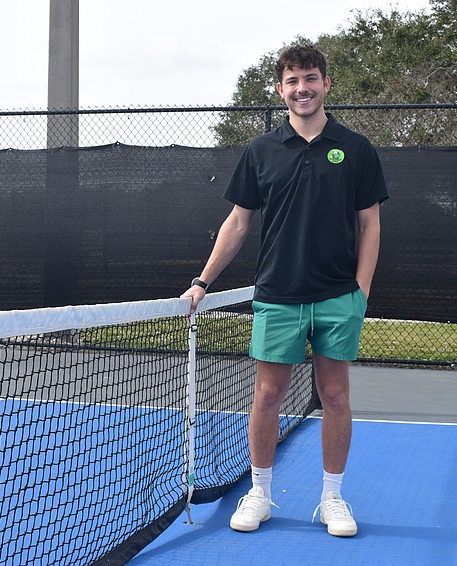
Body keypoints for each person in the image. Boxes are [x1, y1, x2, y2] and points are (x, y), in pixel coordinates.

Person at [182, 44, 388, 537]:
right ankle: (260, 493)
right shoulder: (260, 151)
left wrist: (359, 292)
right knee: (268, 395)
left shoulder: (356, 148)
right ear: (281, 89)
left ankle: (332, 498)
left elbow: (370, 226)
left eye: (311, 78)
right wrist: (202, 280)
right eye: (293, 81)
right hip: (277, 294)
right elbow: (237, 222)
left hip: (338, 297)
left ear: (326, 84)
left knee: (335, 396)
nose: (303, 88)